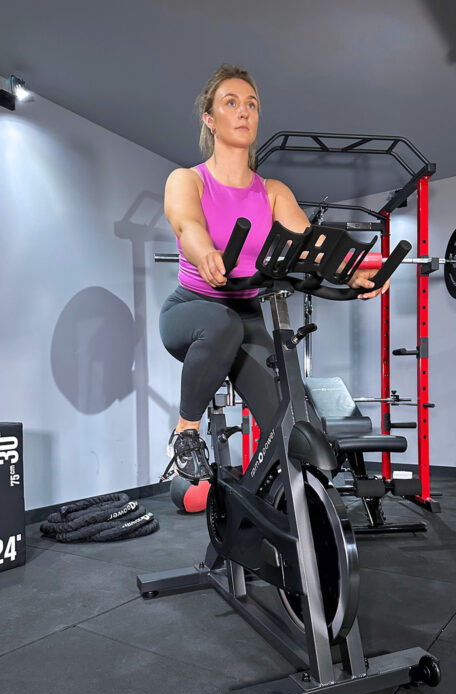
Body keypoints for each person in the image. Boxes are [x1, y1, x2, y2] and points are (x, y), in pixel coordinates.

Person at [160, 63, 389, 483]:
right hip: (191, 311)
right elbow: (186, 225)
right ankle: (186, 433)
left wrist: (353, 271)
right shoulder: (187, 180)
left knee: (295, 422)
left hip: (246, 319)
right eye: (231, 103)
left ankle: (273, 510)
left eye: (252, 104)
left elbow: (312, 245)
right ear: (210, 119)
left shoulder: (272, 192)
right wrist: (206, 252)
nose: (244, 111)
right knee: (221, 323)